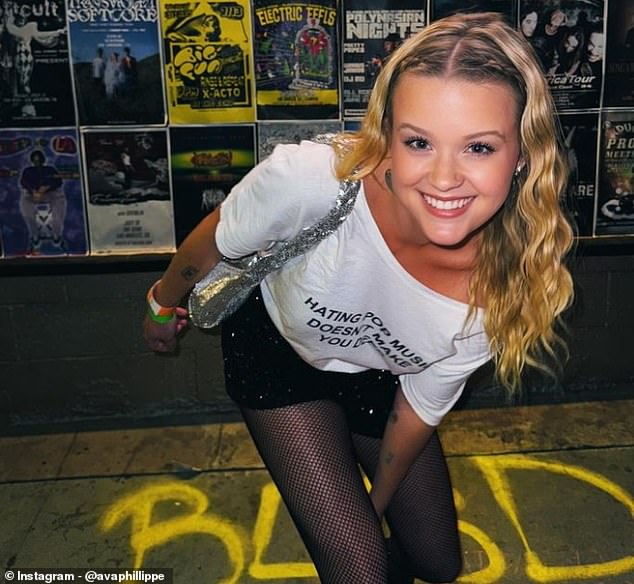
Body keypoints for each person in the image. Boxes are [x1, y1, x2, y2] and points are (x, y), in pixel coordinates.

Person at [143, 12, 574, 583]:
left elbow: (416, 412)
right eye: (418, 141)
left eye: (479, 148)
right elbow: (215, 240)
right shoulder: (314, 180)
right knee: (360, 573)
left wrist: (372, 510)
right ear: (386, 137)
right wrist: (160, 303)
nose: (444, 179)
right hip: (278, 357)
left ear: (520, 155)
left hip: (381, 377)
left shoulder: (508, 285)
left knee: (438, 566)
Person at [19, 149, 66, 254]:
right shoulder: (28, 171)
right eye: (35, 160)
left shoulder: (50, 169)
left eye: (39, 160)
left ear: (43, 160)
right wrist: (33, 191)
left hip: (50, 193)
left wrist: (46, 187)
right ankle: (34, 235)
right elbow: (23, 182)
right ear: (32, 161)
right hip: (33, 194)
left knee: (60, 200)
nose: (37, 162)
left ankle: (56, 235)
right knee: (24, 202)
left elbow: (58, 181)